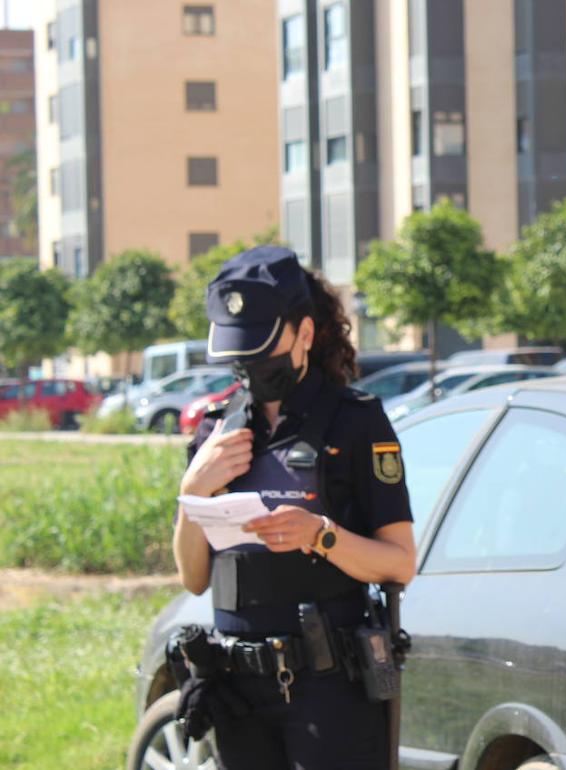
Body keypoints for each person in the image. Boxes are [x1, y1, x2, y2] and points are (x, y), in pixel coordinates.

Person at [172, 245, 416, 770]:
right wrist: (194, 487)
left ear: (304, 334)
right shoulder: (216, 430)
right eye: (242, 354)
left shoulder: (356, 422)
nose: (252, 367)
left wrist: (319, 535)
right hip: (238, 693)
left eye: (263, 350)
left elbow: (400, 562)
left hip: (328, 692)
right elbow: (193, 578)